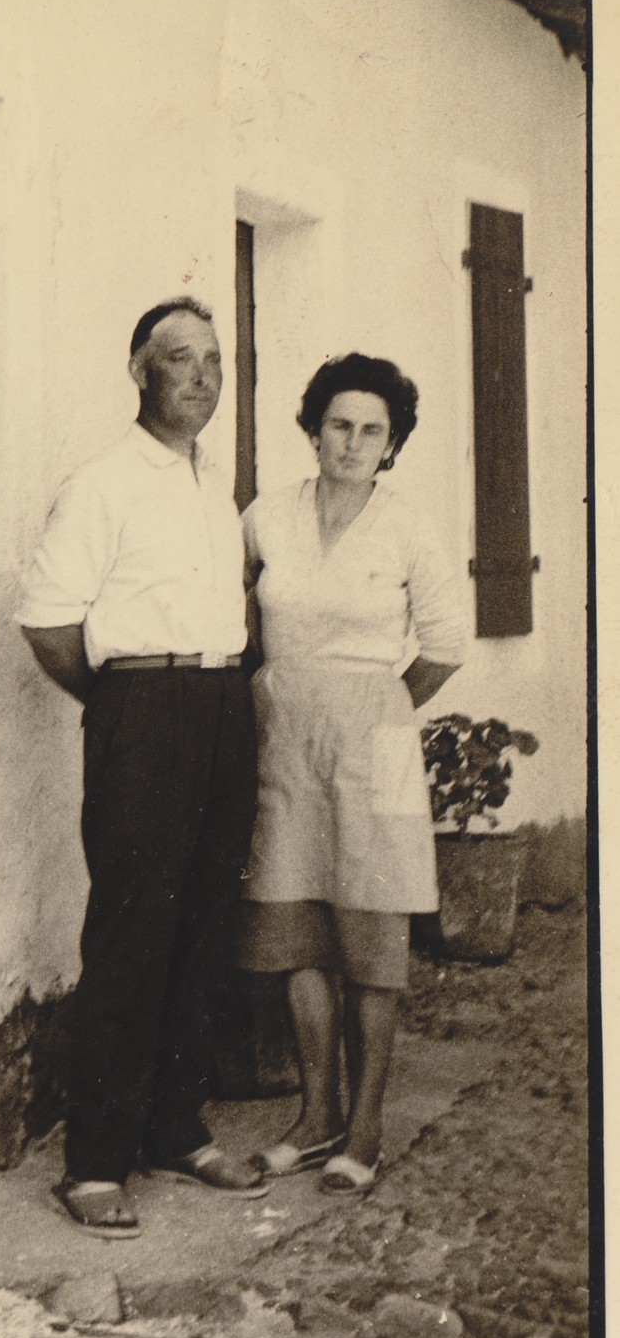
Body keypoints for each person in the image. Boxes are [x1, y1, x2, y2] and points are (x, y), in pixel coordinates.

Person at [17, 297, 266, 1237]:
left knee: (202, 924)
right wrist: (124, 707)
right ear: (138, 371)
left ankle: (173, 1128)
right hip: (144, 711)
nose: (200, 376)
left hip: (221, 706)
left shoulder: (212, 485)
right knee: (131, 933)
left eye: (212, 360)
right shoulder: (102, 483)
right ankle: (93, 1163)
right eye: (179, 358)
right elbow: (48, 622)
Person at [235, 353, 465, 1194]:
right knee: (297, 928)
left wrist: (376, 709)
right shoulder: (266, 517)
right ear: (312, 430)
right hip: (284, 735)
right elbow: (234, 609)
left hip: (378, 737)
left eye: (373, 430)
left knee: (372, 936)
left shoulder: (408, 527)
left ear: (391, 443)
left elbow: (444, 645)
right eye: (339, 425)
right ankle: (315, 1117)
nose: (353, 443)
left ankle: (364, 1131)